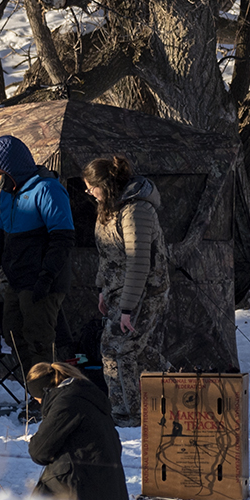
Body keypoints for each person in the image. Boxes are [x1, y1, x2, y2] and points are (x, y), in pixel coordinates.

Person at [0, 135, 75, 378]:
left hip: (43, 281)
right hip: (18, 279)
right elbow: (0, 243)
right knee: (13, 332)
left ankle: (50, 397)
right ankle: (36, 391)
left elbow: (62, 239)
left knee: (39, 340)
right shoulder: (9, 195)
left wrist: (46, 277)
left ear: (12, 170)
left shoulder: (47, 189)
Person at [83, 155, 169, 426]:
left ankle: (132, 412)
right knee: (114, 348)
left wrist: (128, 308)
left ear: (105, 186)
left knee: (124, 349)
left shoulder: (137, 211)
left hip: (143, 292)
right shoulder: (108, 208)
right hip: (116, 291)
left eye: (91, 188)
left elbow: (139, 263)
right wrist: (102, 289)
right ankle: (120, 408)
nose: (88, 193)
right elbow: (106, 255)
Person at [25, 360, 131, 500]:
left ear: (45, 392)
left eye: (38, 400)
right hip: (109, 488)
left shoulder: (66, 403)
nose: (39, 404)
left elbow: (39, 451)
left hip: (80, 489)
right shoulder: (87, 395)